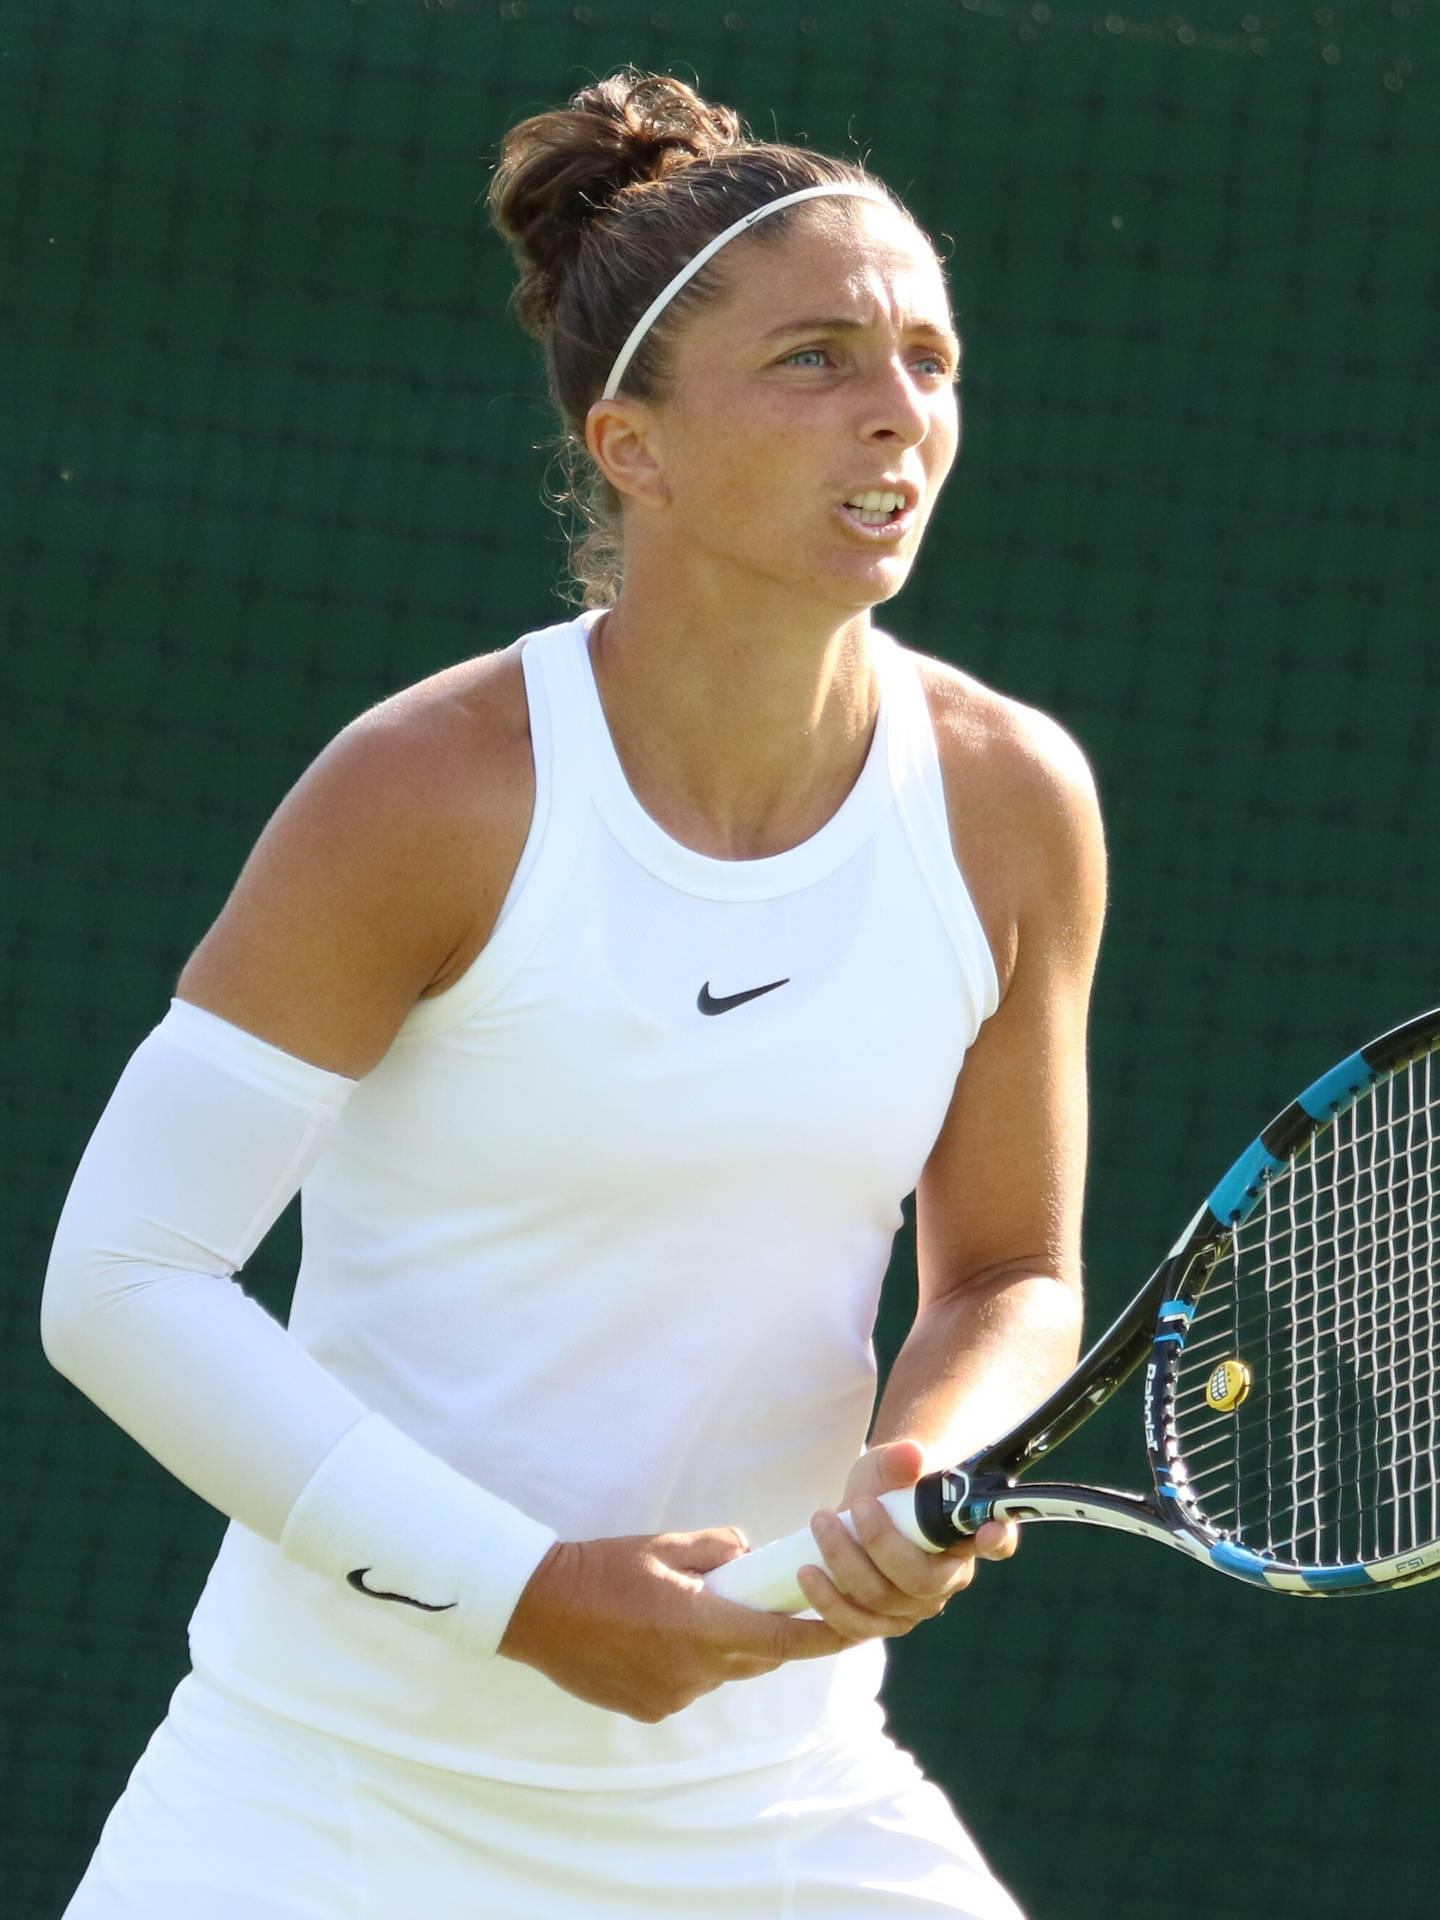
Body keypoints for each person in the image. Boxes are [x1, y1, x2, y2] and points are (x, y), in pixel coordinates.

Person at [42, 70, 1104, 1919]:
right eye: (817, 360)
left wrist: (920, 1464)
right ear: (633, 446)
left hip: (781, 1799)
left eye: (929, 356)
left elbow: (1007, 1270)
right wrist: (521, 1593)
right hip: (329, 1801)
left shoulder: (1012, 801)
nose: (900, 415)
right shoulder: (429, 790)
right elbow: (121, 1284)